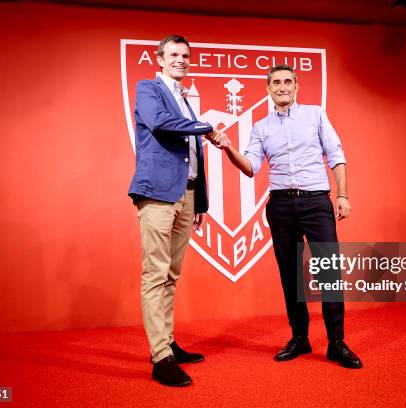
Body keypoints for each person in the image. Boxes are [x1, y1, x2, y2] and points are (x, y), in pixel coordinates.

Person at [208, 64, 362, 369]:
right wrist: (227, 148)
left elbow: (336, 155)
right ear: (267, 89)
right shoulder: (261, 127)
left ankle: (336, 343)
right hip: (280, 205)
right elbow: (250, 167)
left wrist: (342, 195)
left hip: (316, 202)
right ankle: (300, 339)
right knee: (291, 274)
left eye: (287, 81)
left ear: (296, 86)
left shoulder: (316, 114)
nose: (282, 86)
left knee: (329, 272)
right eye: (276, 82)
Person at [128, 34, 224, 386]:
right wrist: (209, 127)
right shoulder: (149, 89)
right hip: (157, 193)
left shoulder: (186, 101)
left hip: (186, 195)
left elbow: (192, 155)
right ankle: (160, 358)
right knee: (155, 275)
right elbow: (160, 123)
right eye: (174, 54)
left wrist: (199, 202)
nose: (180, 59)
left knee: (171, 274)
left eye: (185, 55)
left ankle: (167, 343)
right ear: (160, 59)